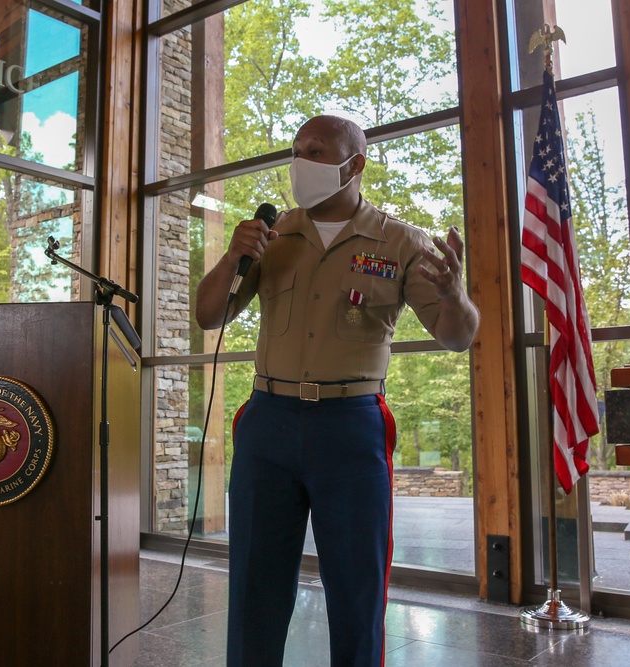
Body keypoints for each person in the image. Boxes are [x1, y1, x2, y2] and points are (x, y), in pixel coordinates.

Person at [195, 113, 480, 666]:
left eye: (316, 151)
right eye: (296, 149)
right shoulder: (270, 239)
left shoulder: (400, 241)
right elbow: (210, 316)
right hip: (267, 424)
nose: (301, 161)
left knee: (356, 586)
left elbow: (456, 338)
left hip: (349, 428)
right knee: (255, 582)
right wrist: (233, 255)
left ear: (355, 164)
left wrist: (454, 295)